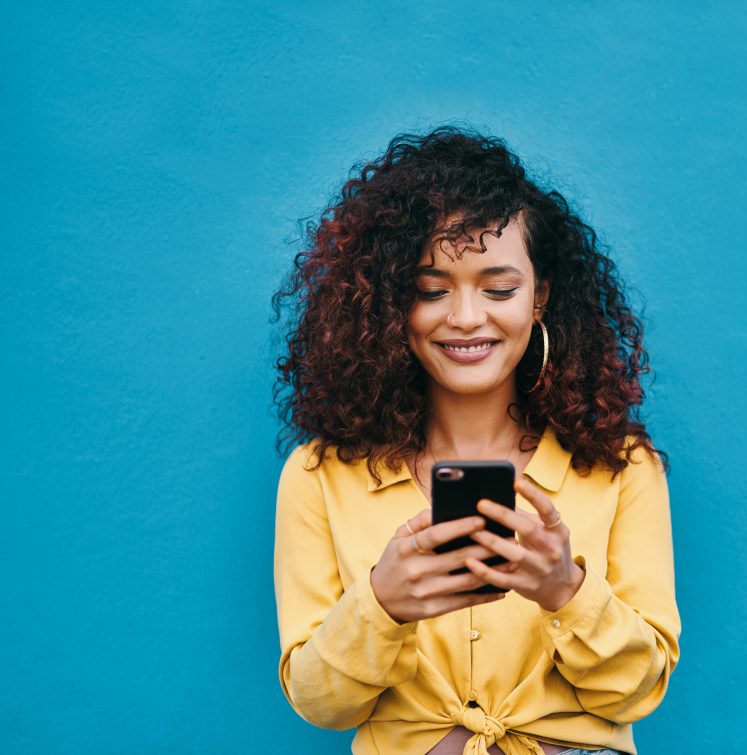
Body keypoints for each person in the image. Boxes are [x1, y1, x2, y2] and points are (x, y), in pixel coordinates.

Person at [271, 125, 680, 755]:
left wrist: (564, 591)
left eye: (499, 288)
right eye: (432, 290)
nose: (465, 317)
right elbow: (321, 704)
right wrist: (382, 606)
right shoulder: (319, 475)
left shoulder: (622, 467)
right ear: (390, 306)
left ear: (540, 296)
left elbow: (637, 694)